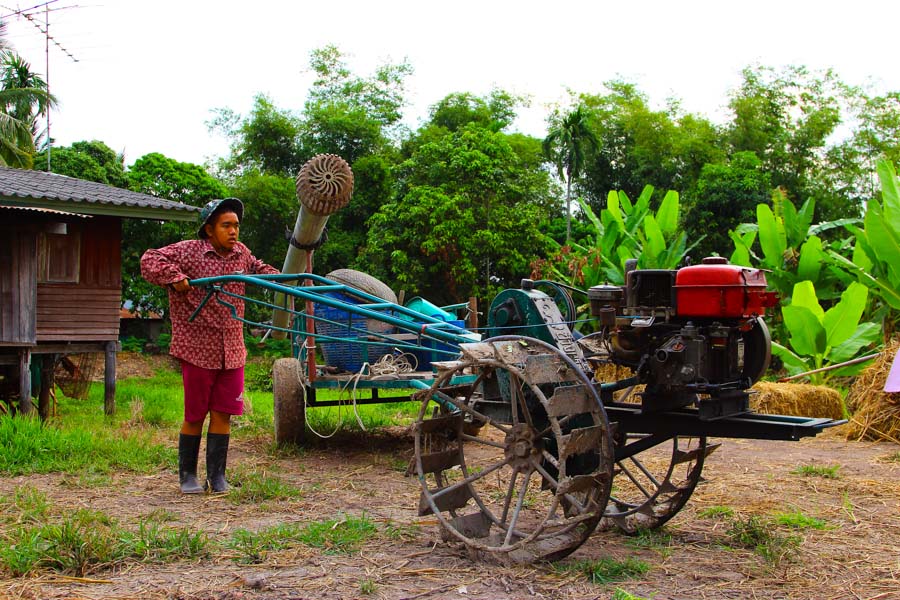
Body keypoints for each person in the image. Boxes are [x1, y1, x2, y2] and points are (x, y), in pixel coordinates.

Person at [141, 198, 279, 494]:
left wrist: (283, 279)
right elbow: (149, 259)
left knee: (223, 413)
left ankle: (217, 477)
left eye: (236, 226)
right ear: (209, 229)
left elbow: (260, 268)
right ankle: (188, 476)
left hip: (232, 348)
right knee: (195, 413)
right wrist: (175, 277)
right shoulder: (189, 250)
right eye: (226, 226)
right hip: (197, 347)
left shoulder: (241, 254)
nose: (233, 232)